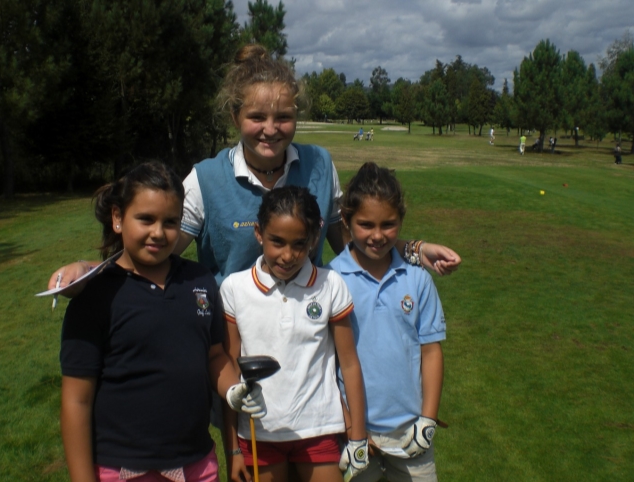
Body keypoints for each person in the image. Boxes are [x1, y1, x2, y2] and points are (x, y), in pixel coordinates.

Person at [47, 44, 460, 293]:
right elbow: (152, 252)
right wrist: (91, 270)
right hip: (234, 340)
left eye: (283, 117)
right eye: (257, 116)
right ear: (234, 116)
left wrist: (414, 250)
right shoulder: (205, 179)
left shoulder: (318, 163)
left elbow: (354, 243)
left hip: (309, 336)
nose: (270, 130)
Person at [59, 162, 267, 482]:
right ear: (118, 218)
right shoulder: (95, 295)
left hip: (196, 463)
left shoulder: (199, 280)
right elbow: (77, 399)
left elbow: (214, 355)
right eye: (145, 219)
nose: (158, 232)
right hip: (120, 468)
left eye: (171, 222)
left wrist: (232, 389)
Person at [222, 186, 368, 482]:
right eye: (277, 241)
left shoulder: (331, 285)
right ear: (259, 233)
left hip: (319, 428)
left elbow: (349, 363)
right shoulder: (234, 289)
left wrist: (358, 437)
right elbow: (229, 368)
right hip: (258, 432)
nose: (288, 255)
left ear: (315, 238)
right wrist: (232, 450)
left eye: (300, 244)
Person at [328, 163, 446, 482]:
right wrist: (353, 429)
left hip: (411, 434)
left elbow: (431, 352)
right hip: (355, 435)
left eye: (388, 225)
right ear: (347, 222)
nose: (378, 236)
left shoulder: (417, 279)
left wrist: (428, 419)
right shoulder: (331, 280)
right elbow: (324, 365)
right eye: (365, 224)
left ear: (401, 221)